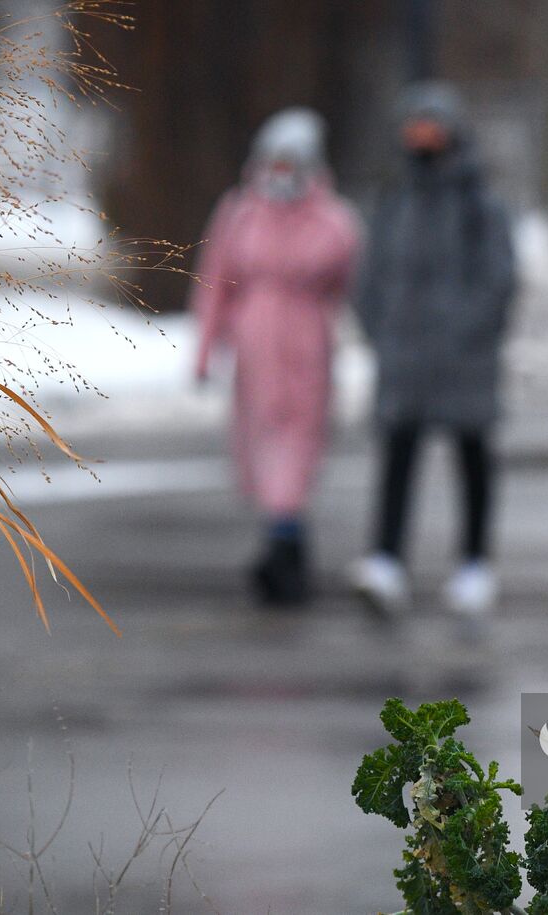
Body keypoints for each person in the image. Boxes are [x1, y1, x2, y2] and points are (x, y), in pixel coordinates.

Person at [351, 81, 516, 619]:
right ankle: (385, 558)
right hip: (403, 356)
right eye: (413, 122)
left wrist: (467, 331)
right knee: (397, 455)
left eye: (431, 122)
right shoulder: (394, 200)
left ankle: (474, 563)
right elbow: (370, 274)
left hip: (464, 360)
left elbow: (499, 280)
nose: (421, 133)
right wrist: (379, 328)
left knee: (472, 457)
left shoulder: (480, 204)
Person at [190, 108, 360, 606]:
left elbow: (348, 280)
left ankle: (283, 550)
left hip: (307, 344)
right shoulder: (239, 213)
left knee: (301, 441)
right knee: (260, 443)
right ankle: (284, 542)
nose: (282, 173)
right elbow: (215, 282)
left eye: (292, 163)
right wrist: (205, 350)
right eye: (275, 162)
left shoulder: (334, 220)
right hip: (255, 347)